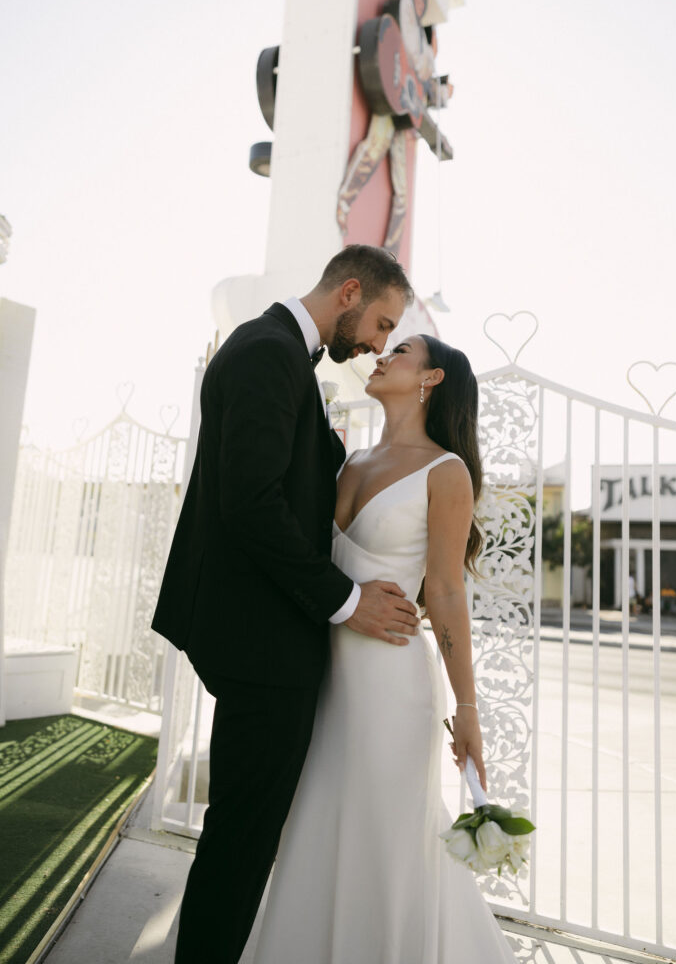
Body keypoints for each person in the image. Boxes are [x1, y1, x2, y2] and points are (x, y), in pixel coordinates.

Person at [151, 244, 419, 964]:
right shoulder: (269, 352)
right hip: (262, 644)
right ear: (350, 292)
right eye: (381, 324)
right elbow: (250, 506)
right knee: (242, 837)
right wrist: (345, 602)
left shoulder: (274, 353)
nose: (377, 344)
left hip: (259, 635)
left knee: (243, 831)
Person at [249, 335, 518, 963]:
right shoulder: (349, 461)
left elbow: (447, 592)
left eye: (400, 350)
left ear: (431, 380)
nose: (382, 356)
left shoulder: (445, 471)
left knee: (385, 837)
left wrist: (469, 709)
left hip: (392, 683)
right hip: (325, 673)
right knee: (318, 826)